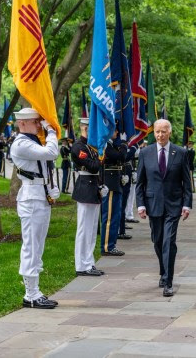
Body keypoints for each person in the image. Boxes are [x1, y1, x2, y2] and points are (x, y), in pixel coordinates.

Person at [10, 107, 60, 309]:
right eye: (35, 122)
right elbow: (51, 153)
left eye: (40, 122)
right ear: (22, 123)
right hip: (31, 198)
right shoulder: (21, 143)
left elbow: (44, 167)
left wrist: (51, 187)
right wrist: (51, 132)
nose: (39, 125)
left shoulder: (31, 141)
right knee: (31, 246)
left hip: (40, 194)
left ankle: (35, 290)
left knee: (38, 245)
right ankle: (30, 294)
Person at [136, 119, 193, 297]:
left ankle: (168, 281)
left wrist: (187, 204)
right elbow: (140, 183)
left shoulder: (181, 152)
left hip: (174, 205)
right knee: (158, 241)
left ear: (170, 132)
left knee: (169, 241)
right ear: (154, 133)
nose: (160, 135)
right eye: (157, 132)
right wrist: (140, 205)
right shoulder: (145, 153)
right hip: (153, 204)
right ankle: (163, 271)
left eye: (163, 131)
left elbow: (186, 181)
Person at [71, 118, 108, 276]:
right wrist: (101, 153)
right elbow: (94, 166)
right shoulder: (79, 146)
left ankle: (89, 262)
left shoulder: (90, 146)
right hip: (85, 187)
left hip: (93, 187)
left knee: (92, 229)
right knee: (84, 229)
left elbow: (98, 165)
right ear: (85, 129)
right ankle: (81, 265)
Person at [100, 131, 126, 257]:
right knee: (109, 217)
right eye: (115, 129)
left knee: (115, 216)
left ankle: (111, 245)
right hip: (110, 183)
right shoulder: (105, 145)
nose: (117, 132)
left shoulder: (112, 145)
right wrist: (125, 145)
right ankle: (106, 246)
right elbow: (120, 156)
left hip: (115, 183)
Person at [118, 139, 136, 240]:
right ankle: (119, 229)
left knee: (124, 201)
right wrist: (134, 147)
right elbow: (125, 157)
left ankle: (121, 228)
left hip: (127, 170)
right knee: (121, 202)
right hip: (121, 172)